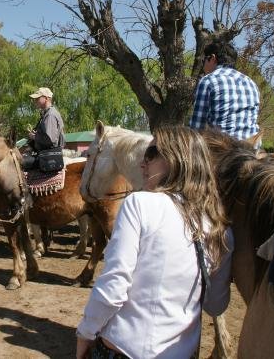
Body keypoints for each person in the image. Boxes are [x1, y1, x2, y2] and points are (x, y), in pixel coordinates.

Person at [75, 126, 233, 359]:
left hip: (125, 350)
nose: (142, 163)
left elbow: (114, 287)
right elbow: (215, 305)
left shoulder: (139, 204)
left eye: (150, 154)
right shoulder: (222, 228)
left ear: (175, 159)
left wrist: (85, 332)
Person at [189, 42, 260, 142]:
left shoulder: (208, 80)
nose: (203, 65)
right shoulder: (251, 83)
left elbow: (196, 128)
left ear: (212, 58)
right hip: (252, 147)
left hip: (224, 149)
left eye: (203, 60)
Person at [22, 87, 66, 171]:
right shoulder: (48, 113)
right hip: (47, 154)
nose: (35, 101)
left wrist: (34, 137)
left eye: (37, 98)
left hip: (49, 156)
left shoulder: (50, 115)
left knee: (19, 162)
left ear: (46, 98)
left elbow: (49, 140)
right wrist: (37, 134)